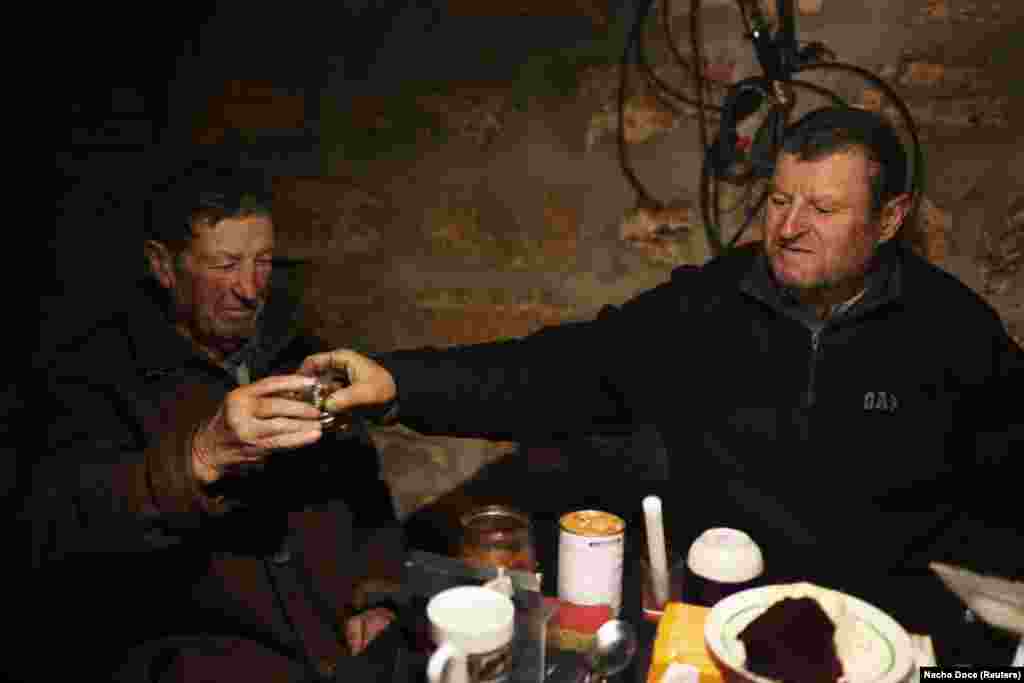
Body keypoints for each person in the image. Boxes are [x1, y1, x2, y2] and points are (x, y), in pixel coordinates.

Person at [306, 107, 1023, 665]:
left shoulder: (955, 331)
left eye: (824, 210)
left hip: (881, 645)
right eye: (778, 201)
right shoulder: (710, 305)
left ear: (890, 218)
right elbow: (562, 370)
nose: (789, 228)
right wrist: (401, 383)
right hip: (717, 634)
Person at [27, 162, 409, 682]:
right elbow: (55, 529)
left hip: (335, 650)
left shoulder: (300, 355)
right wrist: (200, 456)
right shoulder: (93, 376)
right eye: (226, 264)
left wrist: (377, 595)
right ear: (164, 267)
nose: (250, 290)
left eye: (263, 262)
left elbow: (363, 490)